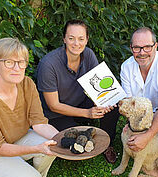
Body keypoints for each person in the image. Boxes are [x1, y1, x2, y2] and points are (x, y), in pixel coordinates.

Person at [0, 37, 59, 177]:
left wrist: (64, 140)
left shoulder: (27, 84)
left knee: (54, 145)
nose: (17, 68)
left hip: (16, 138)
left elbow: (39, 123)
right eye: (9, 62)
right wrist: (37, 148)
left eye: (21, 62)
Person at [36, 19, 119, 164]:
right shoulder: (48, 64)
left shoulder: (88, 54)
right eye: (71, 38)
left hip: (79, 103)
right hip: (55, 114)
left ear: (87, 39)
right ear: (64, 39)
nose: (76, 43)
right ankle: (83, 127)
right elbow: (53, 105)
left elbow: (99, 86)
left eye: (81, 39)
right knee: (73, 142)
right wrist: (87, 113)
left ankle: (107, 144)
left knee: (111, 105)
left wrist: (102, 102)